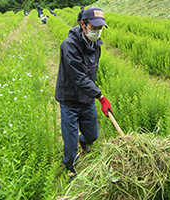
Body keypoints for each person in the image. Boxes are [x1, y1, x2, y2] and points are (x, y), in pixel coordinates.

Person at [55, 7, 112, 178]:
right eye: (93, 27)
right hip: (70, 100)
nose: (97, 31)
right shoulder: (69, 46)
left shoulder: (96, 45)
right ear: (83, 25)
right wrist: (100, 96)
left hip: (86, 98)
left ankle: (84, 142)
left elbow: (91, 73)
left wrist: (92, 93)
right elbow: (79, 78)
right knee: (70, 143)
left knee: (92, 135)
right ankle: (70, 167)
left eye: (100, 28)